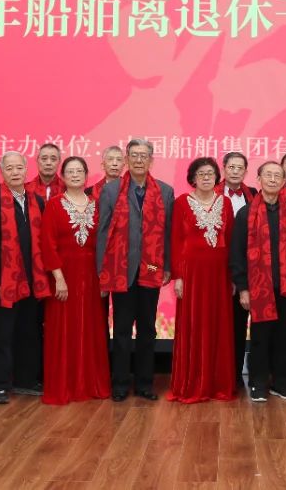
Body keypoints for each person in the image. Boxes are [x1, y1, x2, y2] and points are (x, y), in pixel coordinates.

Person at [97, 139, 173, 402]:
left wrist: (166, 266)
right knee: (121, 329)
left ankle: (144, 383)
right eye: (134, 155)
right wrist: (101, 269)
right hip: (121, 269)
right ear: (127, 159)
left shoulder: (165, 191)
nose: (139, 160)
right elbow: (103, 231)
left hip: (151, 268)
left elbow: (167, 233)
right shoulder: (111, 190)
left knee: (147, 329)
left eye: (144, 155)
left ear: (151, 160)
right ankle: (120, 384)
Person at [40, 157, 110, 405]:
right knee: (63, 328)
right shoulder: (54, 205)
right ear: (63, 176)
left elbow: (106, 244)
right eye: (70, 171)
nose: (75, 174)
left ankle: (90, 383)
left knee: (91, 328)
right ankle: (65, 384)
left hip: (91, 276)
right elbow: (47, 244)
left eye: (79, 170)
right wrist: (58, 277)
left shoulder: (97, 205)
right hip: (64, 274)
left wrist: (104, 278)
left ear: (87, 175)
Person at [0, 151, 47, 404]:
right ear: (2, 172)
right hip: (4, 281)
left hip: (32, 280)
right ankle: (0, 384)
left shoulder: (37, 201)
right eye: (9, 168)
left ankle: (26, 380)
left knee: (29, 331)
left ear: (26, 170)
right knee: (1, 334)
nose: (15, 172)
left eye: (19, 168)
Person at [231, 160, 286, 401]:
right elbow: (237, 254)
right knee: (260, 336)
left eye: (277, 176)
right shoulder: (246, 213)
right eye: (267, 175)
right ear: (258, 180)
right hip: (258, 287)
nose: (272, 179)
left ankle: (281, 382)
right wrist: (243, 288)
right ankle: (258, 382)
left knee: (285, 335)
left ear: (283, 182)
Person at [168, 158, 236, 403]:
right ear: (193, 178)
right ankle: (192, 383)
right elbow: (176, 241)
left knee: (219, 325)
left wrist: (233, 276)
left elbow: (231, 239)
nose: (206, 177)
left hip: (219, 273)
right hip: (192, 274)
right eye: (201, 174)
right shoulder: (181, 203)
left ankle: (217, 383)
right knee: (194, 324)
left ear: (217, 177)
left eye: (210, 173)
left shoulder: (225, 203)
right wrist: (178, 276)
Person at [217, 151, 256, 386]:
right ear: (223, 168)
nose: (235, 171)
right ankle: (216, 374)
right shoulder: (211, 192)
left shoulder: (254, 195)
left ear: (246, 171)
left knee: (239, 323)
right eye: (231, 167)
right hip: (216, 269)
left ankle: (234, 376)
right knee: (216, 322)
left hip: (245, 269)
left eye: (240, 168)